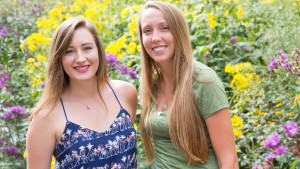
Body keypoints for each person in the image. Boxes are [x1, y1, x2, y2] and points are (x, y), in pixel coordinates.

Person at [26, 17, 138, 169]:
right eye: (69, 51)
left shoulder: (125, 93)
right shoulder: (46, 117)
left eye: (87, 48)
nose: (80, 58)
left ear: (98, 50)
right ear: (59, 58)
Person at [138, 1, 238, 169]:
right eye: (147, 30)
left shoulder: (203, 81)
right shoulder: (152, 84)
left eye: (165, 28)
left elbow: (229, 161)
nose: (155, 38)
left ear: (179, 32)